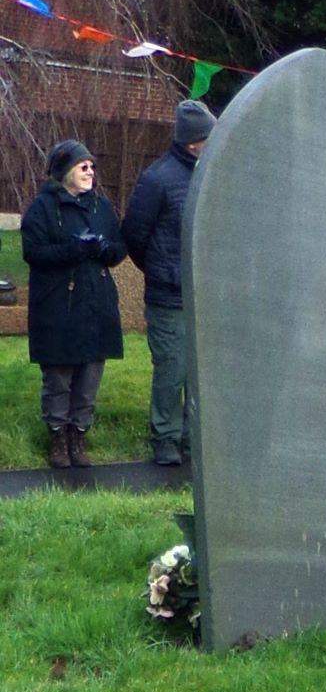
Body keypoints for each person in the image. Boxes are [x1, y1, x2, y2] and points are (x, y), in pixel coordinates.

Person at [122, 99, 217, 466]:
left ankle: (196, 439)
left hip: (205, 294)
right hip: (169, 296)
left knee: (200, 372)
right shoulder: (158, 179)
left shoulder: (213, 172)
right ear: (195, 141)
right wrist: (161, 270)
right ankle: (165, 437)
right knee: (171, 369)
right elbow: (135, 233)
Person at [20, 140, 126, 468]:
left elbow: (119, 249)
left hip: (96, 304)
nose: (90, 171)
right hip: (57, 306)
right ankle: (57, 436)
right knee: (59, 378)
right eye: (83, 166)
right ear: (66, 171)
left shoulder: (102, 207)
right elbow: (33, 252)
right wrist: (74, 249)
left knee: (89, 378)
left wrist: (103, 248)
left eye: (92, 166)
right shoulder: (42, 209)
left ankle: (79, 435)